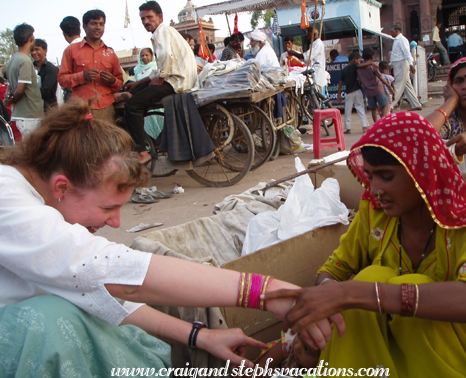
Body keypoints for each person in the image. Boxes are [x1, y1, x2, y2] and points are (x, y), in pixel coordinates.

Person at [0, 100, 336, 376]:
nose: (116, 222)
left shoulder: (40, 207)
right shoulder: (7, 197)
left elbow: (101, 293)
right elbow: (107, 274)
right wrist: (264, 292)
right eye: (107, 208)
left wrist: (200, 336)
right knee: (53, 317)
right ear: (62, 187)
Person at [265, 110, 466, 378]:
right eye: (369, 176)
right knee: (370, 279)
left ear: (422, 173)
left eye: (386, 176)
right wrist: (330, 294)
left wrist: (358, 295)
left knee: (379, 284)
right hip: (378, 353)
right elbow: (332, 271)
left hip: (451, 356)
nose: (375, 188)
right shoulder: (375, 213)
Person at [123, 1, 197, 164]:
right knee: (138, 89)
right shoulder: (166, 32)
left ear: (160, 17)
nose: (146, 22)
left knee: (132, 106)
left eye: (149, 17)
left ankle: (142, 151)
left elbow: (166, 59)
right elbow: (160, 68)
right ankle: (129, 93)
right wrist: (139, 83)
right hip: (177, 79)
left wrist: (161, 78)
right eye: (143, 19)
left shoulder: (161, 32)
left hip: (176, 82)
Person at [58, 10, 123, 123]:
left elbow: (119, 84)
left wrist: (112, 81)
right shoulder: (71, 50)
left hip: (106, 109)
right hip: (81, 108)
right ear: (84, 26)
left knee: (106, 140)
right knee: (83, 141)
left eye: (101, 24)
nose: (98, 27)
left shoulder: (110, 53)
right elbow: (62, 80)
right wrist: (83, 76)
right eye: (93, 23)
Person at [4, 23, 43, 138]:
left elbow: (9, 87)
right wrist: (12, 100)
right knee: (33, 151)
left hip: (22, 115)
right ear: (31, 38)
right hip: (30, 116)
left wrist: (9, 98)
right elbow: (20, 90)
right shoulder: (25, 61)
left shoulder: (13, 60)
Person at [389, 25, 422, 110]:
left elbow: (407, 53)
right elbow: (396, 54)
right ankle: (416, 104)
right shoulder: (397, 40)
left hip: (401, 63)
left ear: (397, 31)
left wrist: (411, 64)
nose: (391, 33)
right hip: (398, 64)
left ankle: (390, 105)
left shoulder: (402, 40)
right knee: (407, 85)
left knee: (398, 85)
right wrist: (390, 64)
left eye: (392, 31)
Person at [357, 48, 394, 122]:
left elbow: (359, 81)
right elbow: (380, 77)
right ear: (372, 57)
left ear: (363, 57)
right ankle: (383, 121)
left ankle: (376, 123)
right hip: (378, 89)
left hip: (368, 91)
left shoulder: (359, 69)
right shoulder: (372, 66)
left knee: (373, 108)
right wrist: (389, 85)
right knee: (385, 105)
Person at [255, 329, 320, 371]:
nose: (297, 347)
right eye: (299, 335)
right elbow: (258, 368)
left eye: (306, 350)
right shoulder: (288, 343)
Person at [337, 52, 370, 134]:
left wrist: (339, 94)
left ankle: (348, 128)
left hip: (348, 93)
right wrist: (371, 63)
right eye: (359, 60)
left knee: (348, 111)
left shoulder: (344, 69)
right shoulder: (356, 66)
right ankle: (364, 126)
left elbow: (340, 82)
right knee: (360, 108)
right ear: (355, 59)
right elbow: (360, 66)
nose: (360, 62)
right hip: (357, 91)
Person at [288, 27, 327, 93]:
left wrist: (293, 53)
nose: (308, 37)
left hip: (317, 74)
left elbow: (306, 57)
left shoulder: (318, 44)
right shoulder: (313, 44)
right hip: (313, 74)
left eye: (309, 36)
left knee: (317, 99)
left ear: (314, 35)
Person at [59, 16, 83, 103]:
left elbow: (64, 80)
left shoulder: (69, 51)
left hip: (76, 99)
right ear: (80, 30)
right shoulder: (91, 47)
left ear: (64, 34)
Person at [31, 39, 59, 112]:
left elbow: (45, 92)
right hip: (33, 110)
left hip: (49, 110)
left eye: (37, 49)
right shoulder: (29, 67)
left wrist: (26, 94)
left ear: (45, 50)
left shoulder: (52, 69)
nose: (34, 52)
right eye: (32, 50)